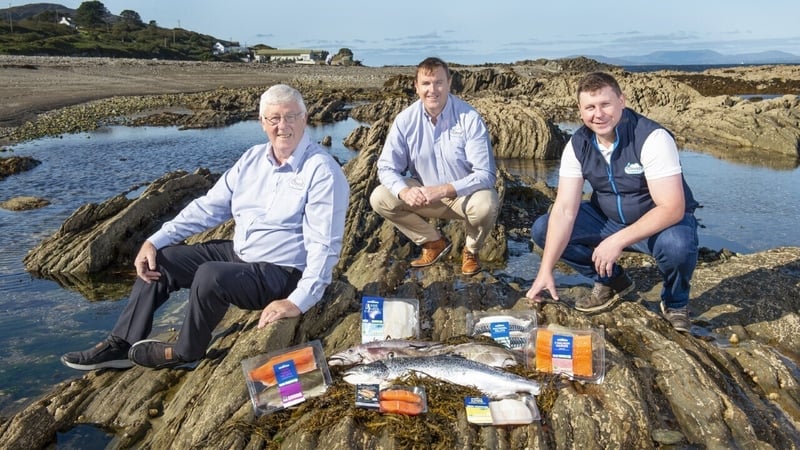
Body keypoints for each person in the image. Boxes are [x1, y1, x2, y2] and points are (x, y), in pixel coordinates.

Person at [61, 84, 350, 370]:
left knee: (210, 275)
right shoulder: (252, 159)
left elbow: (323, 246)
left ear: (305, 118)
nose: (282, 126)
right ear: (262, 122)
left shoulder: (322, 171)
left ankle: (186, 351)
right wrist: (154, 240)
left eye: (291, 116)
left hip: (282, 273)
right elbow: (208, 207)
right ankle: (123, 343)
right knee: (162, 259)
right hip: (242, 256)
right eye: (274, 118)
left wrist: (297, 301)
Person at [524, 72, 699, 332]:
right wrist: (545, 270)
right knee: (543, 228)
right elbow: (564, 210)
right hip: (607, 220)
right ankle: (612, 281)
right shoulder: (578, 144)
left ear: (621, 101)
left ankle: (675, 302)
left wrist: (616, 241)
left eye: (605, 104)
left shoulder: (651, 137)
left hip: (658, 225)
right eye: (590, 107)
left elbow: (672, 207)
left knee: (678, 246)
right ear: (580, 111)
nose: (598, 114)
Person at [369, 56, 499, 275]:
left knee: (487, 204)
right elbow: (386, 167)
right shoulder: (405, 120)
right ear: (416, 86)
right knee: (380, 198)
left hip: (464, 197)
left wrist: (444, 190)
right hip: (424, 196)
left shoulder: (469, 118)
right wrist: (405, 192)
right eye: (426, 84)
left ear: (449, 83)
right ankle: (433, 242)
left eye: (438, 82)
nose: (432, 90)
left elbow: (486, 174)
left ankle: (471, 250)